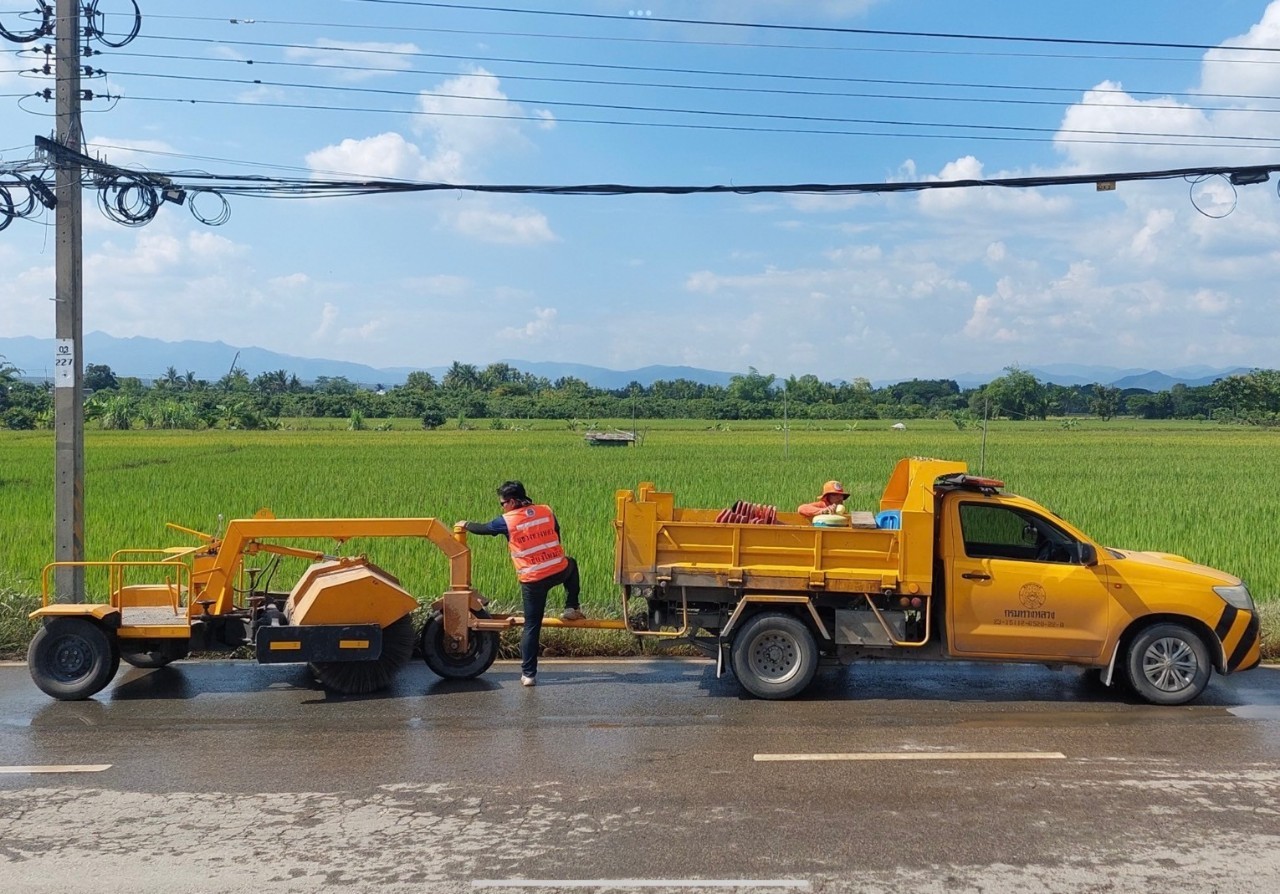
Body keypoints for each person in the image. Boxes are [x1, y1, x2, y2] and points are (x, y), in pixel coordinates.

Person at [457, 480, 584, 688]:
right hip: (557, 569)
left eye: (503, 503)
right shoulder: (546, 511)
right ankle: (571, 607)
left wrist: (465, 525)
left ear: (513, 501)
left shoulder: (507, 521)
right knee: (572, 564)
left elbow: (484, 529)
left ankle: (528, 675)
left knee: (532, 626)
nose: (502, 507)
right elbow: (557, 534)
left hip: (533, 580)